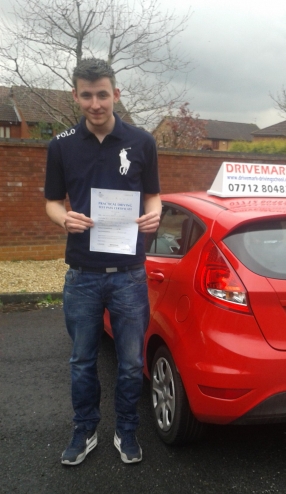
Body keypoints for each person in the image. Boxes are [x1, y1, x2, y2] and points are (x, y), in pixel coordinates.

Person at [44, 58, 162, 466]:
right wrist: (64, 217)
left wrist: (156, 212)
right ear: (76, 95)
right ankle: (85, 429)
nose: (96, 103)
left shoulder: (142, 142)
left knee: (131, 363)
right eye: (87, 95)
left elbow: (153, 195)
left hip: (129, 274)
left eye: (103, 94)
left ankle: (127, 430)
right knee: (82, 361)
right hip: (83, 274)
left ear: (116, 93)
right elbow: (51, 202)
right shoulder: (60, 145)